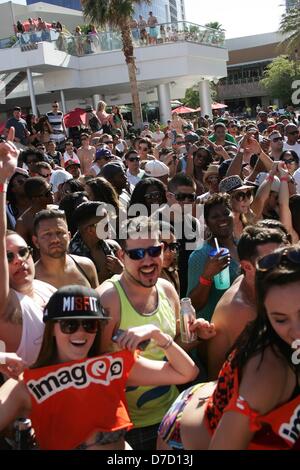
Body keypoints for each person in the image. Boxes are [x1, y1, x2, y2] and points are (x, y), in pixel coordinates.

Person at [0, 284, 199, 450]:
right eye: (70, 325)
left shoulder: (112, 365)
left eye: (89, 325)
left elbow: (187, 372)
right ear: (52, 328)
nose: (80, 333)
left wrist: (158, 335)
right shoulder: (26, 385)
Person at [158, 244, 300, 450]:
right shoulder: (268, 374)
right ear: (265, 315)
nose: (296, 331)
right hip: (184, 438)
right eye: (280, 319)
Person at [97, 216, 215, 450]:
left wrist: (196, 334)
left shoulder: (167, 289)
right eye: (137, 254)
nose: (148, 260)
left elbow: (174, 346)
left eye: (154, 250)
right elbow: (96, 365)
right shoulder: (108, 299)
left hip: (170, 415)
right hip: (128, 428)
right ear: (121, 256)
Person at [0, 128, 55, 365]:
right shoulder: (7, 307)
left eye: (23, 252)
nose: (18, 260)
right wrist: (3, 180)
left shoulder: (48, 290)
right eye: (7, 257)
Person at [207, 225, 287, 380]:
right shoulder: (240, 310)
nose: (283, 268)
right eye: (271, 261)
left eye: (284, 258)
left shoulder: (251, 281)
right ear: (247, 267)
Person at [187, 194, 240, 321]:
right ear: (207, 222)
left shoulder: (243, 245)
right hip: (216, 331)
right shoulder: (200, 255)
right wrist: (207, 276)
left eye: (226, 213)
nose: (222, 219)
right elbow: (192, 305)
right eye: (215, 217)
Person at [33, 209, 98, 289]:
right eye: (47, 234)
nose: (55, 239)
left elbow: (97, 300)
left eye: (60, 232)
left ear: (69, 236)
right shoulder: (31, 278)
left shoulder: (86, 267)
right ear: (36, 241)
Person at [69, 201, 123, 284]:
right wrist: (100, 278)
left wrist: (122, 270)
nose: (110, 227)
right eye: (106, 224)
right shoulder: (70, 257)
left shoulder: (113, 247)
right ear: (90, 230)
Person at [15, 177, 54, 250]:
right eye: (47, 193)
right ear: (35, 199)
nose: (52, 193)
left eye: (51, 189)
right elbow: (22, 252)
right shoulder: (23, 223)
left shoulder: (55, 210)